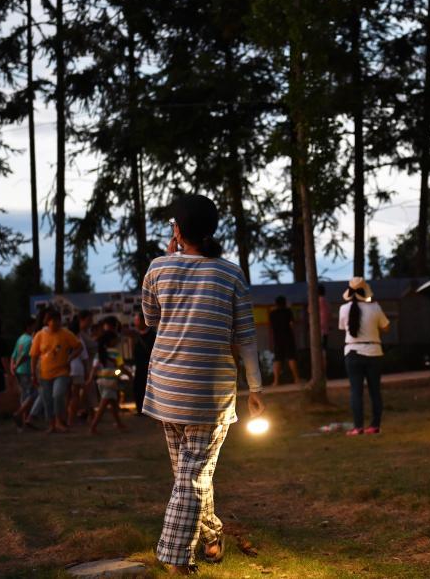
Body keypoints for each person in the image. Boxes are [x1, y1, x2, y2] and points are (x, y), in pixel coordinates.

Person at [142, 194, 264, 573]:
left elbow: (150, 319)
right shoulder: (231, 274)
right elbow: (246, 337)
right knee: (193, 475)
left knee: (190, 475)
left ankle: (196, 544)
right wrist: (256, 389)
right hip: (209, 393)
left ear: (177, 231)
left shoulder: (158, 268)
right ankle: (185, 549)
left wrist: (170, 260)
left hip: (167, 388)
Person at [339, 277, 391, 435]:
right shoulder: (375, 307)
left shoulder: (344, 309)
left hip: (352, 352)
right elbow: (386, 327)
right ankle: (375, 425)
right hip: (374, 351)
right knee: (375, 391)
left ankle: (358, 426)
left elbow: (343, 328)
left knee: (356, 391)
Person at [30, 310, 83, 434]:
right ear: (48, 322)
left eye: (58, 320)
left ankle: (59, 421)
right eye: (53, 320)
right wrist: (33, 373)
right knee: (47, 399)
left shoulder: (66, 334)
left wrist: (70, 357)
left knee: (58, 394)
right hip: (44, 373)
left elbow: (79, 347)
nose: (56, 323)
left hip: (62, 371)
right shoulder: (40, 335)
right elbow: (34, 355)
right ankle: (52, 424)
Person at [87, 331, 129, 434]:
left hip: (101, 381)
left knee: (112, 402)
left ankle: (118, 423)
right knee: (104, 404)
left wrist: (90, 379)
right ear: (111, 341)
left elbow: (94, 368)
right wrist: (129, 375)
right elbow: (121, 366)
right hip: (111, 381)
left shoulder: (99, 353)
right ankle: (93, 426)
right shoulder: (115, 353)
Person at [10, 318, 38, 431]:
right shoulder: (30, 340)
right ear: (28, 327)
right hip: (26, 370)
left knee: (25, 396)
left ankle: (22, 423)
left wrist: (13, 367)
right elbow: (25, 355)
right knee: (34, 394)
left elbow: (14, 354)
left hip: (19, 371)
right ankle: (19, 414)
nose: (35, 328)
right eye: (33, 326)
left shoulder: (20, 338)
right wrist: (16, 365)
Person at [66, 311, 92, 427]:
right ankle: (72, 419)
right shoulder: (78, 340)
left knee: (68, 395)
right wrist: (87, 372)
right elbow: (85, 358)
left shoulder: (65, 339)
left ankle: (68, 417)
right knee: (76, 395)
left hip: (66, 370)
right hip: (77, 370)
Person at [269, 296, 301, 385]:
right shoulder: (288, 311)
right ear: (285, 303)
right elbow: (291, 324)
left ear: (276, 303)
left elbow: (272, 326)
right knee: (291, 357)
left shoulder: (272, 313)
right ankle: (296, 379)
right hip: (288, 337)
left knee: (277, 359)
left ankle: (276, 381)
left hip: (277, 339)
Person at [129, 312, 156, 415]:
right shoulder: (135, 335)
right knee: (138, 387)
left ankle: (151, 410)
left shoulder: (153, 335)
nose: (135, 323)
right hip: (138, 366)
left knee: (149, 389)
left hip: (150, 367)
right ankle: (140, 409)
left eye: (137, 320)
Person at [310, 284, 331, 376]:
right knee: (324, 352)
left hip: (317, 331)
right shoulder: (326, 302)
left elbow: (309, 311)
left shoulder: (315, 302)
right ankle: (324, 373)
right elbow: (329, 315)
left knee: (318, 352)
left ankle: (319, 373)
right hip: (325, 330)